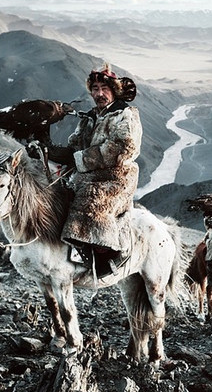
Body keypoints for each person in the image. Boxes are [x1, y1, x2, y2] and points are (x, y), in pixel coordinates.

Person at [44, 63, 142, 276]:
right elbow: (75, 145)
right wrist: (49, 151)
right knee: (56, 193)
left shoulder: (125, 114)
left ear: (114, 90)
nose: (99, 93)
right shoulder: (90, 117)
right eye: (95, 89)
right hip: (88, 173)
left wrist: (81, 159)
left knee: (91, 198)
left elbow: (122, 148)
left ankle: (106, 255)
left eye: (104, 89)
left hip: (117, 176)